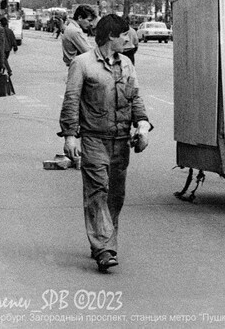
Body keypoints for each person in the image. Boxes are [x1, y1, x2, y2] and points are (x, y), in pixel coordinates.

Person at [59, 14, 151, 273]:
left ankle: (103, 241)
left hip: (121, 141)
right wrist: (69, 135)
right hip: (94, 139)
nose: (128, 40)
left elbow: (135, 97)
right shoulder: (82, 64)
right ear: (111, 36)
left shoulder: (127, 64)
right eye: (124, 36)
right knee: (97, 191)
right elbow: (71, 100)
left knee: (115, 196)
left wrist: (143, 125)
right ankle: (104, 248)